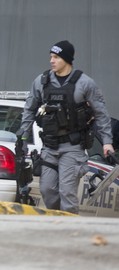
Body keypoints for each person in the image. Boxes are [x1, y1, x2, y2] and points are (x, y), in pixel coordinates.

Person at [19, 40, 114, 214]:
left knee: (67, 192)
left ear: (67, 59)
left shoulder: (85, 83)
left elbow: (101, 113)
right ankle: (58, 224)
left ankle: (68, 231)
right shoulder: (41, 82)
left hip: (73, 147)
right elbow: (29, 110)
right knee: (47, 190)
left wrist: (107, 142)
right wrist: (23, 136)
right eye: (50, 57)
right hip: (49, 146)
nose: (51, 61)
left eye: (56, 57)